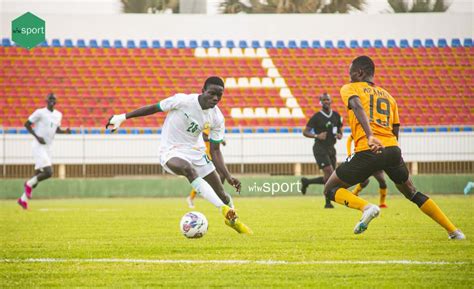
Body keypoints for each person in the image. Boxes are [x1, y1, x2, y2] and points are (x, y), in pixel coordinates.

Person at [323, 56, 465, 239]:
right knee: (412, 192)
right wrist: (387, 157)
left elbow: (357, 107)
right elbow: (395, 130)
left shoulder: (350, 88)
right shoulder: (389, 97)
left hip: (368, 149)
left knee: (329, 189)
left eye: (350, 72)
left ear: (359, 73)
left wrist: (370, 136)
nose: (349, 76)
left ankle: (367, 208)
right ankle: (454, 231)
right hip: (392, 149)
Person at [106, 76, 252, 234]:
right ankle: (223, 209)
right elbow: (154, 108)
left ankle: (233, 221)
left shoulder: (217, 117)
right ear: (203, 91)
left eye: (219, 95)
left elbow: (215, 151)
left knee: (222, 193)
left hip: (196, 152)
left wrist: (228, 176)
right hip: (171, 151)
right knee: (187, 168)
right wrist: (123, 117)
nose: (215, 98)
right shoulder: (182, 101)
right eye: (211, 93)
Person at [18, 93, 71, 209]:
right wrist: (37, 137)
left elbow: (56, 129)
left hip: (48, 147)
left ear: (56, 102)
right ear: (46, 101)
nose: (52, 101)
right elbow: (26, 124)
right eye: (50, 99)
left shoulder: (58, 115)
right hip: (38, 146)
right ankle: (27, 184)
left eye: (54, 99)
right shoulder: (40, 112)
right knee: (48, 172)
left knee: (36, 178)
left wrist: (64, 132)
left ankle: (22, 200)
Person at [300, 93, 342, 209]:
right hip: (319, 148)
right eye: (323, 100)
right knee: (329, 172)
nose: (326, 102)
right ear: (320, 102)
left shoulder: (336, 116)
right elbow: (305, 132)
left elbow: (339, 130)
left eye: (327, 99)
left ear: (331, 100)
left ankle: (307, 182)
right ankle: (328, 202)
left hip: (331, 148)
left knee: (330, 176)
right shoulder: (317, 117)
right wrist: (317, 136)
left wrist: (339, 135)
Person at [186, 125, 227, 208]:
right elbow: (204, 137)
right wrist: (218, 140)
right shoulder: (207, 125)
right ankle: (191, 198)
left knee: (221, 176)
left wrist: (220, 140)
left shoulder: (215, 125)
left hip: (212, 156)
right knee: (205, 180)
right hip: (206, 156)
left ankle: (217, 193)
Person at [347, 135, 389, 208]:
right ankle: (354, 193)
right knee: (365, 182)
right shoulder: (360, 129)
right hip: (365, 160)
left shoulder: (377, 130)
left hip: (376, 160)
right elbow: (349, 139)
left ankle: (382, 203)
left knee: (382, 181)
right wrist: (349, 153)